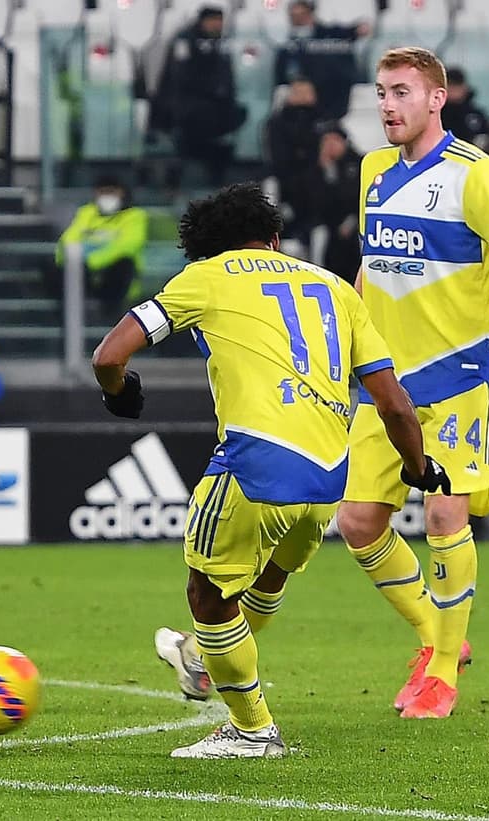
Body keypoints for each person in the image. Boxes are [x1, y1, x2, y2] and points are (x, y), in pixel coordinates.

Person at [93, 183, 445, 758]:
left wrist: (119, 394)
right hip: (329, 474)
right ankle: (205, 659)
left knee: (207, 595)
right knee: (266, 576)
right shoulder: (335, 288)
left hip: (257, 462)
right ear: (275, 239)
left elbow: (109, 355)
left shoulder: (205, 277)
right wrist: (417, 466)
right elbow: (394, 405)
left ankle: (252, 729)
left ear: (203, 249)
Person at [339, 47, 489, 720]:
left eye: (401, 91)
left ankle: (438, 675)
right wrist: (349, 344)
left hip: (457, 378)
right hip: (387, 385)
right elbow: (372, 266)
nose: (387, 105)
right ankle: (440, 637)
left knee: (443, 513)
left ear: (437, 100)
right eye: (380, 92)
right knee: (357, 522)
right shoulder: (373, 170)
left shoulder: (475, 176)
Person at [150, 6, 246, 184]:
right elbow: (180, 77)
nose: (217, 25)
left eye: (220, 21)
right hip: (184, 102)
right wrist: (213, 89)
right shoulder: (184, 41)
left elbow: (227, 76)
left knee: (236, 114)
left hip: (214, 103)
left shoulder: (221, 43)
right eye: (214, 21)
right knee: (200, 119)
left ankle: (213, 166)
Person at [42, 176, 149, 318]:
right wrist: (77, 260)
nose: (106, 197)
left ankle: (108, 316)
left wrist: (92, 261)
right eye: (102, 192)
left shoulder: (135, 216)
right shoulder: (87, 213)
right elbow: (68, 240)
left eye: (111, 192)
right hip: (83, 274)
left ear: (122, 193)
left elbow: (128, 246)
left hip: (115, 280)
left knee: (123, 264)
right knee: (51, 267)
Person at [281, 122, 363, 282]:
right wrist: (326, 172)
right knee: (319, 234)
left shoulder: (358, 164)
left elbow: (354, 198)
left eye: (334, 140)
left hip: (353, 222)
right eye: (326, 141)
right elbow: (310, 203)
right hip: (321, 225)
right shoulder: (312, 169)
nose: (330, 145)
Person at [275, 0, 371, 121]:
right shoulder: (289, 45)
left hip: (336, 93)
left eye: (301, 15)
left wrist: (359, 30)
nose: (298, 20)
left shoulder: (330, 35)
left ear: (310, 14)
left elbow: (353, 32)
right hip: (305, 100)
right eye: (294, 16)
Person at [266, 79, 325, 193]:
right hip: (289, 177)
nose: (303, 97)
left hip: (320, 176)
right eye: (298, 93)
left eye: (306, 92)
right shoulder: (278, 122)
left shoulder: (323, 120)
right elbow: (278, 155)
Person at [441, 67, 488, 144]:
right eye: (450, 85)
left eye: (457, 85)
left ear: (465, 87)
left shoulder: (476, 114)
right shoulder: (436, 115)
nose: (454, 89)